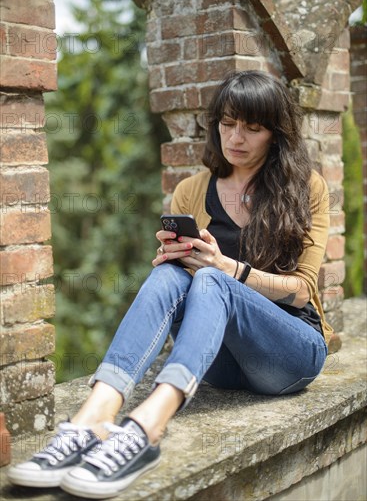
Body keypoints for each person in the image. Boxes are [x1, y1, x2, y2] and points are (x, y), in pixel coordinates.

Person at [7, 70, 332, 499]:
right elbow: (184, 280)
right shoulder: (192, 190)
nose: (236, 137)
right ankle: (92, 419)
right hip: (221, 363)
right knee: (169, 272)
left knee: (214, 277)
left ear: (276, 134)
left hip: (290, 352)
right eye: (228, 123)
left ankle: (146, 428)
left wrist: (226, 267)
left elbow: (303, 289)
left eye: (253, 128)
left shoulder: (306, 187)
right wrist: (176, 261)